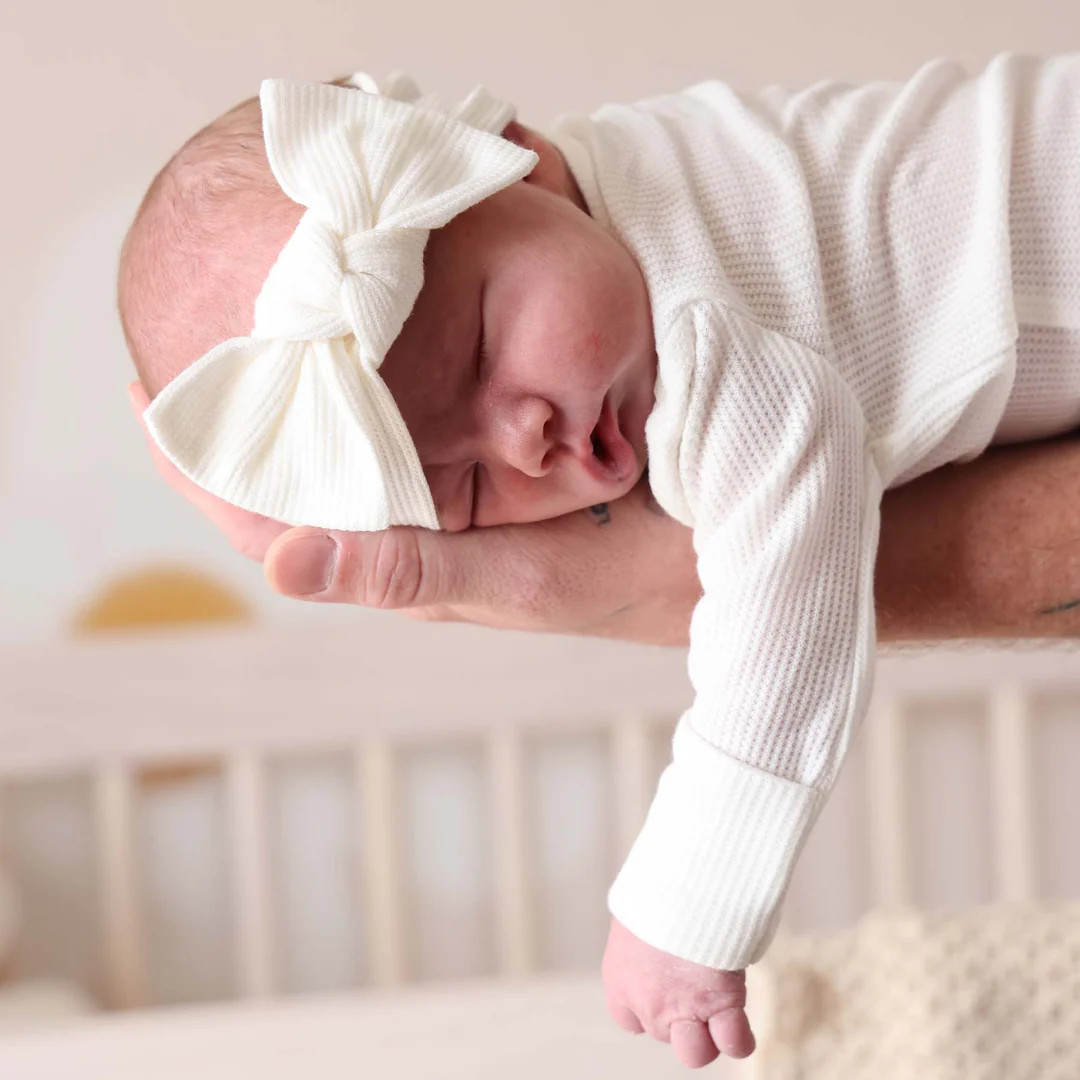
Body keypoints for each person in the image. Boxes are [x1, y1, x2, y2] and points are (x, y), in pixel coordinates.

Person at [119, 56, 1080, 1068]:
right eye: (462, 487)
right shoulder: (585, 216)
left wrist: (690, 897)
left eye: (481, 352)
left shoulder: (698, 328)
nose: (523, 441)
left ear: (518, 160)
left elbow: (790, 588)